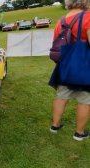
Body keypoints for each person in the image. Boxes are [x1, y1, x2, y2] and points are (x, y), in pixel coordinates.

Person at [49, 0, 90, 141]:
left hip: (64, 66)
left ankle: (55, 125)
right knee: (85, 99)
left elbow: (57, 46)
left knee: (61, 96)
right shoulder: (88, 17)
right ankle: (79, 133)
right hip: (84, 66)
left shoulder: (61, 21)